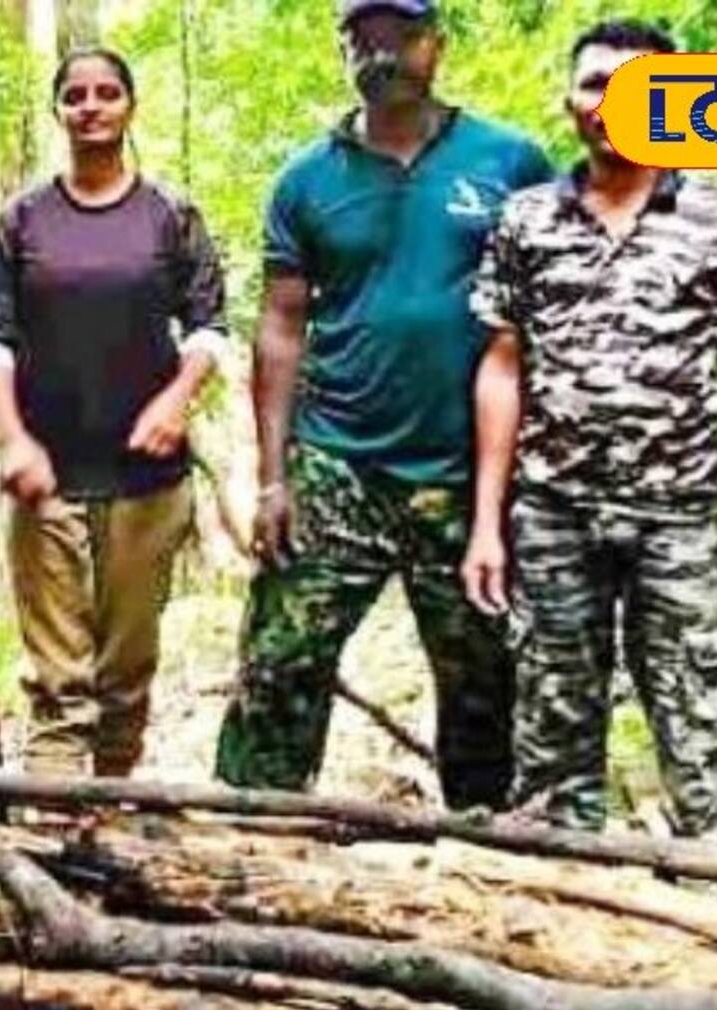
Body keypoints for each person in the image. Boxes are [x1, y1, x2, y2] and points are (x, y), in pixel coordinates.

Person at [461, 21, 717, 835]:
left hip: (678, 519)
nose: (613, 103)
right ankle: (565, 898)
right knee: (553, 753)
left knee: (701, 738)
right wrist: (487, 523)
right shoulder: (527, 222)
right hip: (554, 516)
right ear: (569, 102)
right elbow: (503, 368)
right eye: (595, 84)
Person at [215, 0, 552, 800]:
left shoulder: (510, 163)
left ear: (437, 45)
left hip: (467, 470)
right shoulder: (306, 181)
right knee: (281, 663)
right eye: (363, 41)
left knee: (483, 680)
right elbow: (281, 326)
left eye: (401, 38)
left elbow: (547, 313)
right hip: (337, 461)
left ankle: (483, 841)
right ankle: (253, 829)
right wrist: (272, 477)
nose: (382, 56)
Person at [0, 48, 228, 777]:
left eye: (107, 93)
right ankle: (51, 816)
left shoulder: (170, 216)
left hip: (147, 477)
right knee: (58, 675)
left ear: (129, 106)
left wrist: (177, 400)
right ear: (58, 110)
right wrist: (11, 440)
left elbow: (209, 326)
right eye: (76, 96)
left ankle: (113, 806)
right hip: (46, 475)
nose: (90, 107)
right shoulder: (22, 220)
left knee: (126, 667)